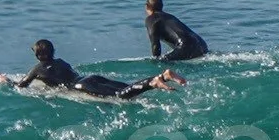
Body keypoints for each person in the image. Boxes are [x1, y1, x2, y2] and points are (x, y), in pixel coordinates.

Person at [12, 40, 184, 98]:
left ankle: (154, 82)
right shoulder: (62, 61)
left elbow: (21, 86)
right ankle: (163, 76)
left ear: (37, 56)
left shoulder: (36, 70)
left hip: (82, 86)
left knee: (121, 96)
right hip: (89, 78)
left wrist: (6, 81)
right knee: (125, 87)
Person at [145, 0, 209, 62]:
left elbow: (155, 45)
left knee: (162, 61)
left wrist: (156, 62)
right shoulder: (170, 16)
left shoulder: (151, 19)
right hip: (201, 44)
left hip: (186, 46)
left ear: (146, 6)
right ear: (162, 6)